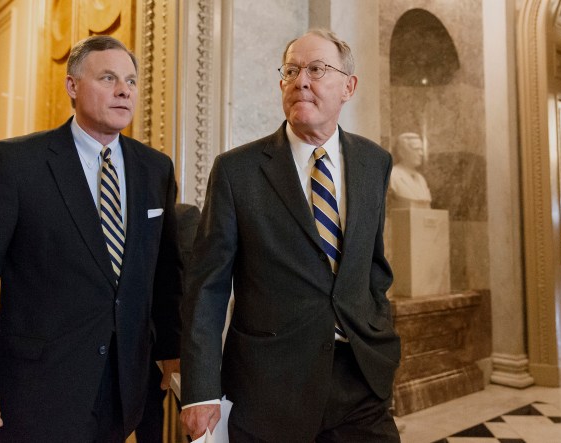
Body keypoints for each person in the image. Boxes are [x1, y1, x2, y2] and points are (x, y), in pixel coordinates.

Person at [0, 35, 183, 443]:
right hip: (39, 391)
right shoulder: (15, 164)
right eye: (108, 77)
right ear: (72, 86)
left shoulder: (153, 168)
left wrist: (172, 354)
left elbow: (165, 273)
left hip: (125, 389)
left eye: (131, 81)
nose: (124, 90)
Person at [180, 29, 401, 442]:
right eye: (292, 70)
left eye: (317, 69)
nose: (302, 80)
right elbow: (206, 288)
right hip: (268, 389)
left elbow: (373, 266)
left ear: (348, 87)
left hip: (360, 380)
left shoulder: (375, 162)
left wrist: (378, 335)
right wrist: (200, 391)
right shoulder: (236, 171)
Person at [135, 203, 200, 443]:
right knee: (149, 415)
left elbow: (189, 287)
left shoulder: (185, 218)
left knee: (194, 418)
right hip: (148, 343)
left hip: (180, 342)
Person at [389, 132, 432, 208]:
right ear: (401, 152)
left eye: (421, 149)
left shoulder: (421, 179)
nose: (421, 153)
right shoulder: (392, 175)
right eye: (416, 149)